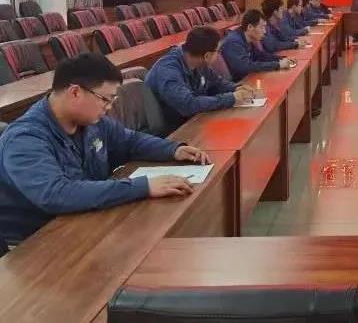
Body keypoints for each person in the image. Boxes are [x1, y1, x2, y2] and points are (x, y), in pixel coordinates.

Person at [0, 53, 211, 245]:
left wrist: (173, 149)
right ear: (75, 92)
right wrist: (143, 187)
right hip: (37, 242)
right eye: (105, 100)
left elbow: (130, 141)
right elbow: (57, 194)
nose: (109, 107)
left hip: (86, 217)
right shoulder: (25, 139)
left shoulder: (91, 121)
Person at [145, 26, 258, 132]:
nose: (218, 55)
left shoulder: (198, 61)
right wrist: (232, 98)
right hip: (176, 130)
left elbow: (217, 83)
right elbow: (188, 105)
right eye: (217, 51)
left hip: (195, 119)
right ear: (207, 56)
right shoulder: (168, 71)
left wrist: (236, 88)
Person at [220, 9, 291, 82]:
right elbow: (246, 66)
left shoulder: (247, 37)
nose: (264, 31)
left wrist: (281, 59)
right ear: (250, 27)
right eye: (262, 27)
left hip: (248, 78)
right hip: (239, 83)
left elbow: (260, 56)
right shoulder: (233, 42)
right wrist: (277, 65)